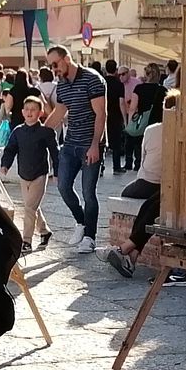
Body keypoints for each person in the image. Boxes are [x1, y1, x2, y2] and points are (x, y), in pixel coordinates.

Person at [105, 90, 176, 279]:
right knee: (150, 205)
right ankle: (132, 255)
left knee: (142, 199)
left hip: (156, 183)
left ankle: (126, 249)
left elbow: (144, 160)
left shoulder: (153, 130)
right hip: (167, 185)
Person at [45, 44, 108, 253]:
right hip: (71, 143)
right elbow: (58, 113)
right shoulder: (61, 85)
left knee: (89, 192)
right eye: (50, 66)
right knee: (63, 186)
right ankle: (81, 222)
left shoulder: (92, 79)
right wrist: (39, 133)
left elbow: (101, 114)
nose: (53, 69)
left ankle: (90, 238)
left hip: (90, 144)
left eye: (55, 64)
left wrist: (95, 145)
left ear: (66, 59)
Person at [0, 93, 59, 250]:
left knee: (29, 208)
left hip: (39, 175)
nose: (29, 112)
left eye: (33, 109)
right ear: (22, 112)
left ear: (40, 113)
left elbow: (55, 153)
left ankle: (26, 241)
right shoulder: (18, 131)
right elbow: (10, 149)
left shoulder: (46, 132)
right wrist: (5, 164)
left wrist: (57, 172)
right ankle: (44, 231)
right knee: (31, 207)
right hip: (23, 175)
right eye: (27, 109)